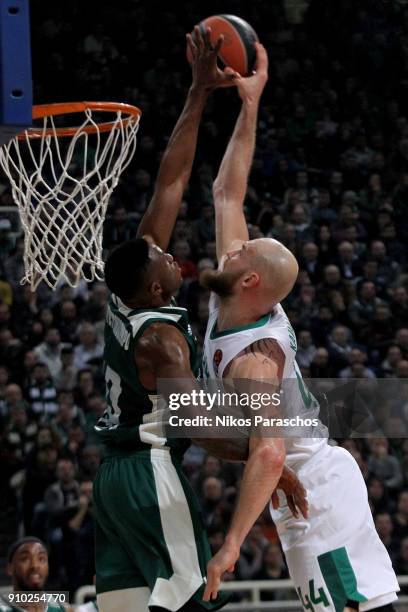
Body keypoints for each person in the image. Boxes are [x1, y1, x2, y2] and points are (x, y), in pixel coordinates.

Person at [200, 44, 399, 612]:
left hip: (316, 491)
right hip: (307, 480)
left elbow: (267, 453)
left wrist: (230, 548)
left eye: (242, 252)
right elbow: (226, 193)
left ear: (250, 281)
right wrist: (249, 105)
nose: (233, 246)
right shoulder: (236, 303)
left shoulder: (253, 358)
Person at [0, 537, 67, 611]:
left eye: (41, 558)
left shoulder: (60, 607)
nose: (35, 565)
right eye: (25, 558)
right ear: (10, 569)